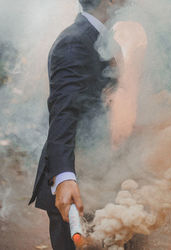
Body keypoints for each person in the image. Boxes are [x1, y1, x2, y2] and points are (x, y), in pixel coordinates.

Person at [29, 1, 124, 249]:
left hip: (98, 174)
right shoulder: (75, 42)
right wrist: (64, 177)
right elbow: (63, 112)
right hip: (77, 186)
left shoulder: (98, 37)